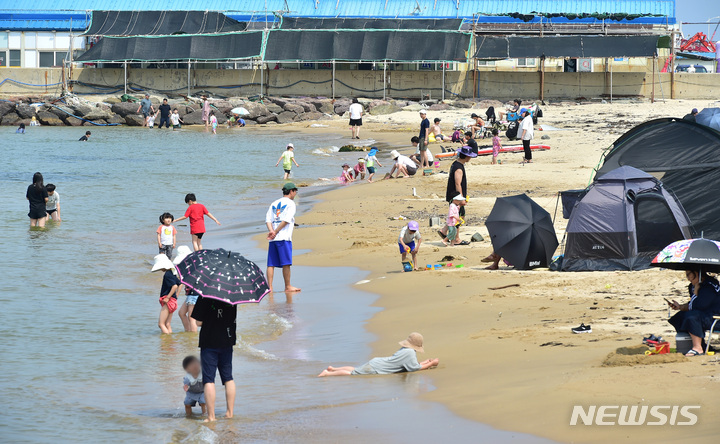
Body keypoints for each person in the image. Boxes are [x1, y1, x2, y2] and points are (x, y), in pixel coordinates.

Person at [191, 296, 238, 422]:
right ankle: (230, 413)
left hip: (209, 341)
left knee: (209, 380)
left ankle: (211, 416)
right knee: (228, 378)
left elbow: (197, 322)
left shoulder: (205, 295)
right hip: (228, 339)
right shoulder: (233, 294)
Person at [318, 332, 439, 377]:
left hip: (376, 362)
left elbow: (412, 364)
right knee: (353, 373)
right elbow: (414, 368)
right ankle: (328, 373)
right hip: (376, 368)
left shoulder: (405, 350)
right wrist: (431, 364)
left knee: (356, 369)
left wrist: (425, 362)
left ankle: (333, 368)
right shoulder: (410, 354)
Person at [667, 270, 720, 356]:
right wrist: (680, 307)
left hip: (715, 318)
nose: (688, 278)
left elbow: (698, 305)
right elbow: (692, 305)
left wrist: (695, 292)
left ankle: (698, 348)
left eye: (689, 275)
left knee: (691, 316)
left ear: (696, 273)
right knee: (679, 317)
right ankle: (692, 344)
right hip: (704, 316)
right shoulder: (693, 286)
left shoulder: (709, 286)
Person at [266, 183, 301, 293]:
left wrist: (271, 231)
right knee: (286, 263)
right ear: (291, 191)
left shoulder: (274, 203)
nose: (295, 194)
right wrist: (275, 231)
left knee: (271, 264)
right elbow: (286, 220)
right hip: (284, 237)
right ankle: (287, 286)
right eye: (295, 191)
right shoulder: (291, 203)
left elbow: (268, 220)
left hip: (273, 239)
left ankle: (270, 288)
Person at [439, 146, 476, 241]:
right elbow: (457, 183)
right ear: (467, 156)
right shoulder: (458, 167)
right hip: (455, 196)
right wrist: (461, 199)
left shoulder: (457, 164)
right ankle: (456, 239)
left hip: (454, 195)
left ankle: (444, 230)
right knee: (459, 216)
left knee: (458, 215)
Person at [151, 254, 181, 334]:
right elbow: (180, 284)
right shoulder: (172, 272)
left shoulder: (167, 275)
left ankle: (167, 341)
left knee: (161, 324)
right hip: (173, 301)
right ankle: (170, 343)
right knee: (167, 324)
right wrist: (176, 295)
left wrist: (167, 297)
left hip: (168, 301)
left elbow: (174, 286)